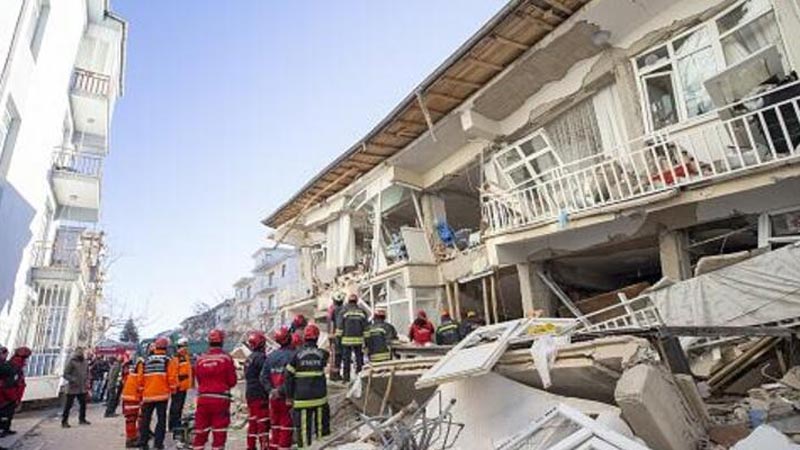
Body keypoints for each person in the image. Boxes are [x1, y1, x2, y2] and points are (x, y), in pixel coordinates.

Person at [285, 324, 329, 448]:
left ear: (305, 338)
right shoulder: (323, 354)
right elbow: (327, 356)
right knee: (321, 432)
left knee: (304, 433)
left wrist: (289, 397)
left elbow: (288, 376)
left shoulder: (296, 355)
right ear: (317, 338)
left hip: (302, 399)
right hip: (320, 398)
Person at [192, 329, 237, 450]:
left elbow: (199, 380)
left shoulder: (200, 360)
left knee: (200, 433)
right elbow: (232, 381)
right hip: (220, 400)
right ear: (222, 341)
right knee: (219, 434)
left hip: (203, 399)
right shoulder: (226, 359)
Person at [137, 337, 177, 450]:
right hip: (162, 396)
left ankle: (143, 443)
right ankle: (158, 444)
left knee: (145, 419)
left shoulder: (145, 361)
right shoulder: (168, 360)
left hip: (147, 395)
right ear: (166, 347)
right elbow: (172, 379)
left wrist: (141, 392)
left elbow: (140, 379)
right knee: (161, 420)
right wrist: (173, 390)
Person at [260, 326, 295, 450]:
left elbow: (263, 377)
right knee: (286, 429)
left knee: (275, 428)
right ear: (289, 338)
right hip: (287, 398)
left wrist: (271, 390)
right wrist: (280, 391)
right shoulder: (293, 356)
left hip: (273, 399)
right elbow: (293, 379)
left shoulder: (271, 357)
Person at [244, 331, 269, 450]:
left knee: (253, 421)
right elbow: (266, 374)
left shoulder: (249, 358)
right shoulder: (260, 358)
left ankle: (251, 446)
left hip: (250, 393)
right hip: (260, 394)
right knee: (262, 422)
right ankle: (265, 446)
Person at [0, 347, 31, 437]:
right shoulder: (11, 366)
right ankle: (3, 430)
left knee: (9, 413)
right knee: (5, 414)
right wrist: (13, 396)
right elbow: (9, 382)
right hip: (8, 394)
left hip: (11, 393)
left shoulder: (14, 364)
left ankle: (5, 429)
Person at [336, 294, 368, 382]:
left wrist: (338, 341)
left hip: (346, 341)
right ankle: (360, 378)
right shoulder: (362, 312)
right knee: (359, 360)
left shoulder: (343, 311)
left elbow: (339, 328)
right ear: (356, 301)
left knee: (346, 360)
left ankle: (346, 379)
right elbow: (365, 328)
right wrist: (367, 342)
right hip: (358, 340)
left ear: (348, 301)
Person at [168, 337, 192, 440]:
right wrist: (175, 386)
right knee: (175, 408)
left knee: (179, 407)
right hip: (178, 388)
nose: (185, 348)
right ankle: (173, 426)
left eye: (186, 346)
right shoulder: (176, 358)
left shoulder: (185, 357)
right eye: (184, 346)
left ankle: (177, 424)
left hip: (183, 387)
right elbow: (173, 374)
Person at [61, 347, 90, 428]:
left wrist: (87, 380)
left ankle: (82, 419)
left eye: (82, 352)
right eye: (79, 352)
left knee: (83, 404)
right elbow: (65, 374)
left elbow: (87, 372)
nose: (81, 353)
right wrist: (73, 379)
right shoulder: (71, 361)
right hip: (73, 388)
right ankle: (64, 421)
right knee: (68, 405)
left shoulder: (85, 362)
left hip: (82, 387)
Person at [120, 354, 142, 448]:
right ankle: (133, 438)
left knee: (130, 419)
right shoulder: (140, 368)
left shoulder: (127, 371)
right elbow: (141, 382)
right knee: (136, 418)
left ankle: (131, 438)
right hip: (134, 397)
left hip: (127, 396)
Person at [327, 293, 345, 380]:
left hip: (336, 336)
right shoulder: (345, 309)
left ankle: (334, 374)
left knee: (335, 355)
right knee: (342, 355)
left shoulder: (332, 310)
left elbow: (331, 323)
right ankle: (340, 374)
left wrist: (330, 335)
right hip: (344, 335)